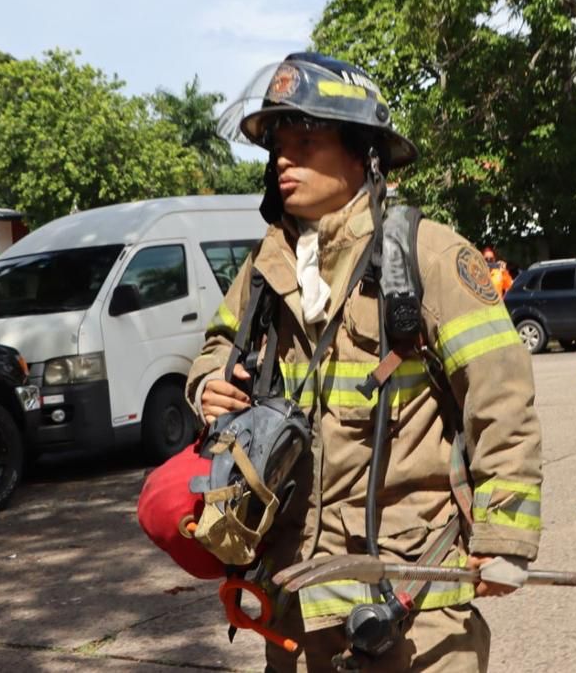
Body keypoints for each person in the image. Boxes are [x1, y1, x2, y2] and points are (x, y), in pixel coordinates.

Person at [189, 53, 542, 670]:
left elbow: (500, 396)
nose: (282, 160)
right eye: (277, 145)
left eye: (305, 141)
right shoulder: (266, 268)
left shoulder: (428, 257)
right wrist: (209, 386)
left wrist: (505, 535)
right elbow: (215, 348)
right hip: (295, 588)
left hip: (411, 592)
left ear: (363, 155)